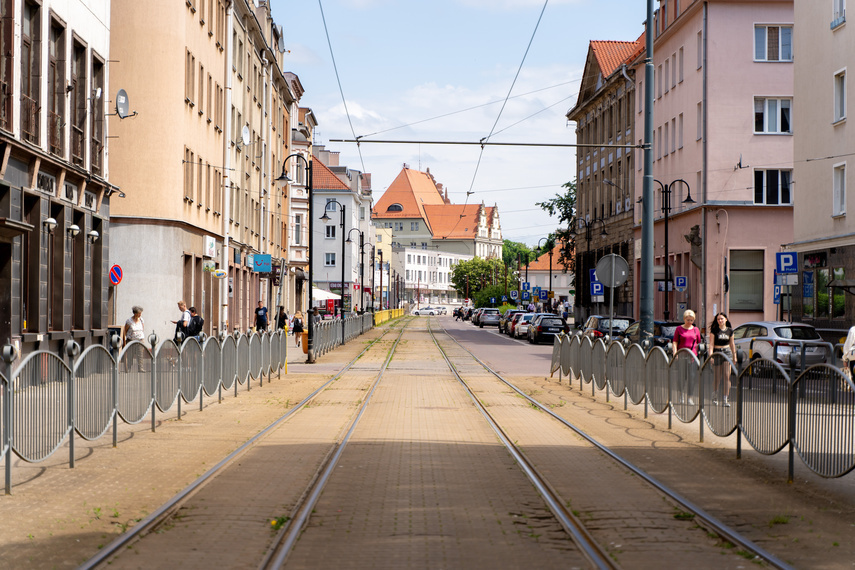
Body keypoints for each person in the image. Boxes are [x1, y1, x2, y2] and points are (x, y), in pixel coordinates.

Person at [709, 312, 736, 406]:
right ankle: (715, 396)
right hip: (717, 352)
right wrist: (711, 355)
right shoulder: (714, 331)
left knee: (726, 376)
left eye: (722, 319)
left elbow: (732, 344)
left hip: (727, 353)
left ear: (726, 319)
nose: (720, 320)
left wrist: (734, 356)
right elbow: (711, 344)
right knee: (717, 377)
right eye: (718, 319)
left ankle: (725, 399)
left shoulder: (730, 331)